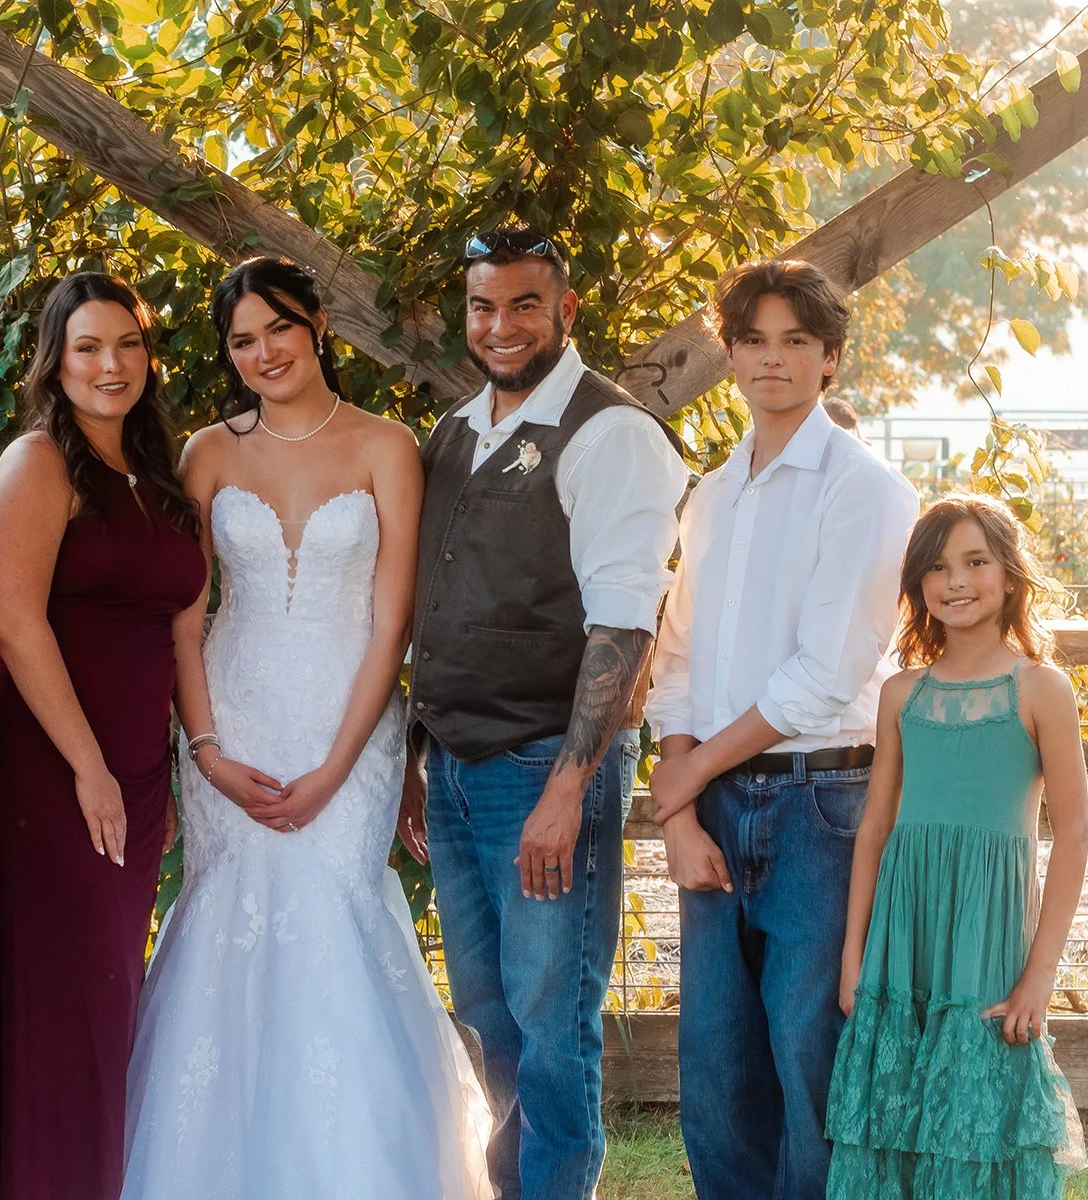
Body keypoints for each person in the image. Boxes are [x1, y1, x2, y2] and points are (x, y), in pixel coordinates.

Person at [122, 255, 492, 1199]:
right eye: (242, 341)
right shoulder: (208, 452)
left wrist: (338, 768)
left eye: (278, 328)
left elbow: (392, 622)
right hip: (232, 714)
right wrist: (205, 750)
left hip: (349, 719)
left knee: (336, 913)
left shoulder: (386, 446)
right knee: (226, 917)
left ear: (317, 324)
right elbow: (184, 619)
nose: (264, 353)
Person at [399, 228, 688, 1200]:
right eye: (483, 306)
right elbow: (431, 606)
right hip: (455, 769)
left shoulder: (612, 435)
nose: (501, 325)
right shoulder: (455, 430)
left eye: (525, 304)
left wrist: (568, 791)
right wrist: (414, 758)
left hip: (543, 769)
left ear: (566, 310)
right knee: (487, 1020)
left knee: (552, 1024)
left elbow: (623, 625)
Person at [645, 258, 919, 1200]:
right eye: (753, 340)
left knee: (812, 1053)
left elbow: (826, 673)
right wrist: (683, 813)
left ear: (830, 357)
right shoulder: (713, 495)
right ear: (729, 356)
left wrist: (685, 779)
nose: (772, 359)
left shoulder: (865, 489)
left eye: (795, 341)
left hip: (822, 803)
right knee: (717, 1064)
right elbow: (675, 660)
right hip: (715, 807)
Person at [0, 272, 207, 1200]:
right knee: (63, 1002)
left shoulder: (158, 474)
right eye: (88, 347)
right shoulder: (38, 462)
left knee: (107, 995)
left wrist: (163, 768)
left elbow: (175, 634)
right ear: (55, 362)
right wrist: (91, 769)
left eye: (128, 344)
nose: (111, 365)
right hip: (48, 764)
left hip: (132, 765)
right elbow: (16, 624)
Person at [826, 493, 1088, 1198]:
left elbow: (1074, 833)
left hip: (988, 937)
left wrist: (1038, 977)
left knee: (980, 1113)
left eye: (976, 561)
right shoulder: (902, 694)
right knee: (896, 1115)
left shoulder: (1041, 689)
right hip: (903, 935)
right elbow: (875, 828)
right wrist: (853, 956)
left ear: (1010, 575)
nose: (956, 581)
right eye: (937, 567)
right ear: (919, 584)